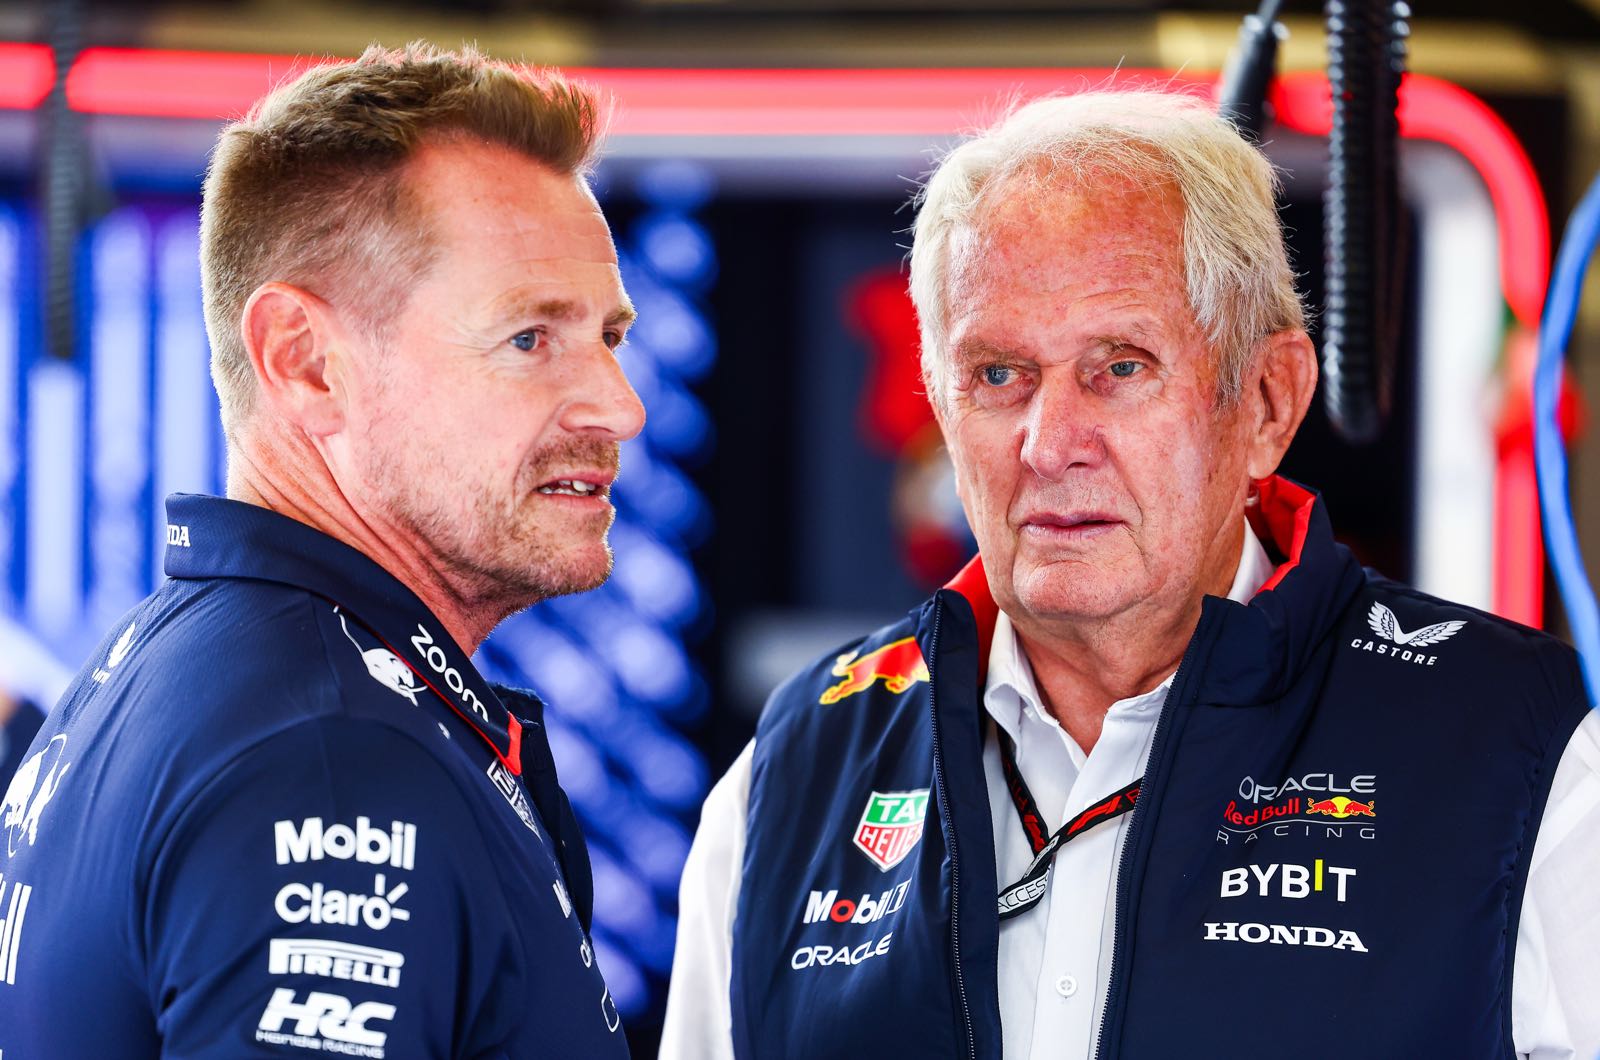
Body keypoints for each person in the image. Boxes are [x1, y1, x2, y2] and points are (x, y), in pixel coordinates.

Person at [662, 90, 1600, 1059]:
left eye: (1119, 367)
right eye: (998, 375)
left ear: (1267, 403)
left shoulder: (1529, 761)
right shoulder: (785, 782)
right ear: (942, 408)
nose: (1049, 443)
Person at [0, 44, 644, 1058]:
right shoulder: (334, 757)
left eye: (610, 336)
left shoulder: (173, 672)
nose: (619, 405)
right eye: (530, 338)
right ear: (304, 363)